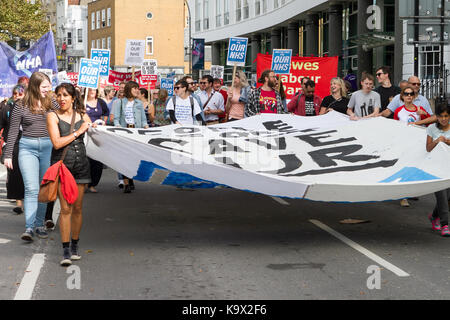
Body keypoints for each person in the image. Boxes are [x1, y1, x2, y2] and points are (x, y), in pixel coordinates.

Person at [4, 72, 59, 242]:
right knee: (31, 188)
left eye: (49, 86)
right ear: (35, 86)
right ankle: (29, 227)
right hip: (27, 147)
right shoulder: (20, 105)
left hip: (48, 148)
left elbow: (66, 116)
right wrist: (7, 155)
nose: (48, 90)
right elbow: (13, 131)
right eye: (44, 87)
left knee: (43, 188)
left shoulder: (52, 102)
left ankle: (39, 224)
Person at [47, 82, 94, 266]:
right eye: (59, 95)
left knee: (78, 208)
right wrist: (78, 132)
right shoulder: (52, 116)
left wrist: (97, 126)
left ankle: (75, 245)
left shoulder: (81, 114)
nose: (62, 99)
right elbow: (57, 143)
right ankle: (65, 250)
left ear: (73, 98)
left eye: (66, 95)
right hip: (62, 167)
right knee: (65, 209)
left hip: (81, 165)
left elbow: (94, 128)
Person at [393, 86, 431, 208]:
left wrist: (424, 114)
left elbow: (429, 124)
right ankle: (402, 196)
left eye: (411, 94)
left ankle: (410, 192)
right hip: (403, 143)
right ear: (402, 96)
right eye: (406, 94)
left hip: (417, 143)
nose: (409, 96)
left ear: (414, 96)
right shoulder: (398, 110)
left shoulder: (420, 109)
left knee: (413, 167)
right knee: (402, 167)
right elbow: (394, 127)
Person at [112, 80, 149, 193]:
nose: (137, 90)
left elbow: (143, 119)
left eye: (138, 88)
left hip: (135, 132)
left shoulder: (139, 103)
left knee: (134, 158)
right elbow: (116, 118)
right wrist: (118, 127)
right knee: (124, 158)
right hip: (124, 132)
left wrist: (146, 128)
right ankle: (126, 183)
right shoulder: (120, 102)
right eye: (134, 88)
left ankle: (130, 177)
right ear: (129, 90)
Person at [425, 103, 450, 236]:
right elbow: (428, 148)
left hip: (449, 167)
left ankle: (434, 216)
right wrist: (437, 141)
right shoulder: (431, 128)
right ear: (437, 117)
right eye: (441, 116)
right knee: (441, 196)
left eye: (446, 116)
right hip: (437, 168)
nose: (444, 119)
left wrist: (448, 142)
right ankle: (445, 224)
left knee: (447, 197)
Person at [0, 85, 25, 214]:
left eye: (20, 94)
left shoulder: (30, 107)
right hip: (13, 144)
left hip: (28, 143)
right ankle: (19, 203)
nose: (17, 96)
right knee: (14, 173)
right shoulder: (6, 108)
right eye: (15, 94)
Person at [85, 88, 109, 193]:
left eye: (94, 89)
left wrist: (103, 122)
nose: (91, 91)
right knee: (85, 159)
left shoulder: (100, 102)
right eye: (89, 89)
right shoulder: (81, 101)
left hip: (97, 133)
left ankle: (93, 184)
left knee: (97, 160)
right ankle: (83, 182)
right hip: (84, 133)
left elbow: (106, 113)